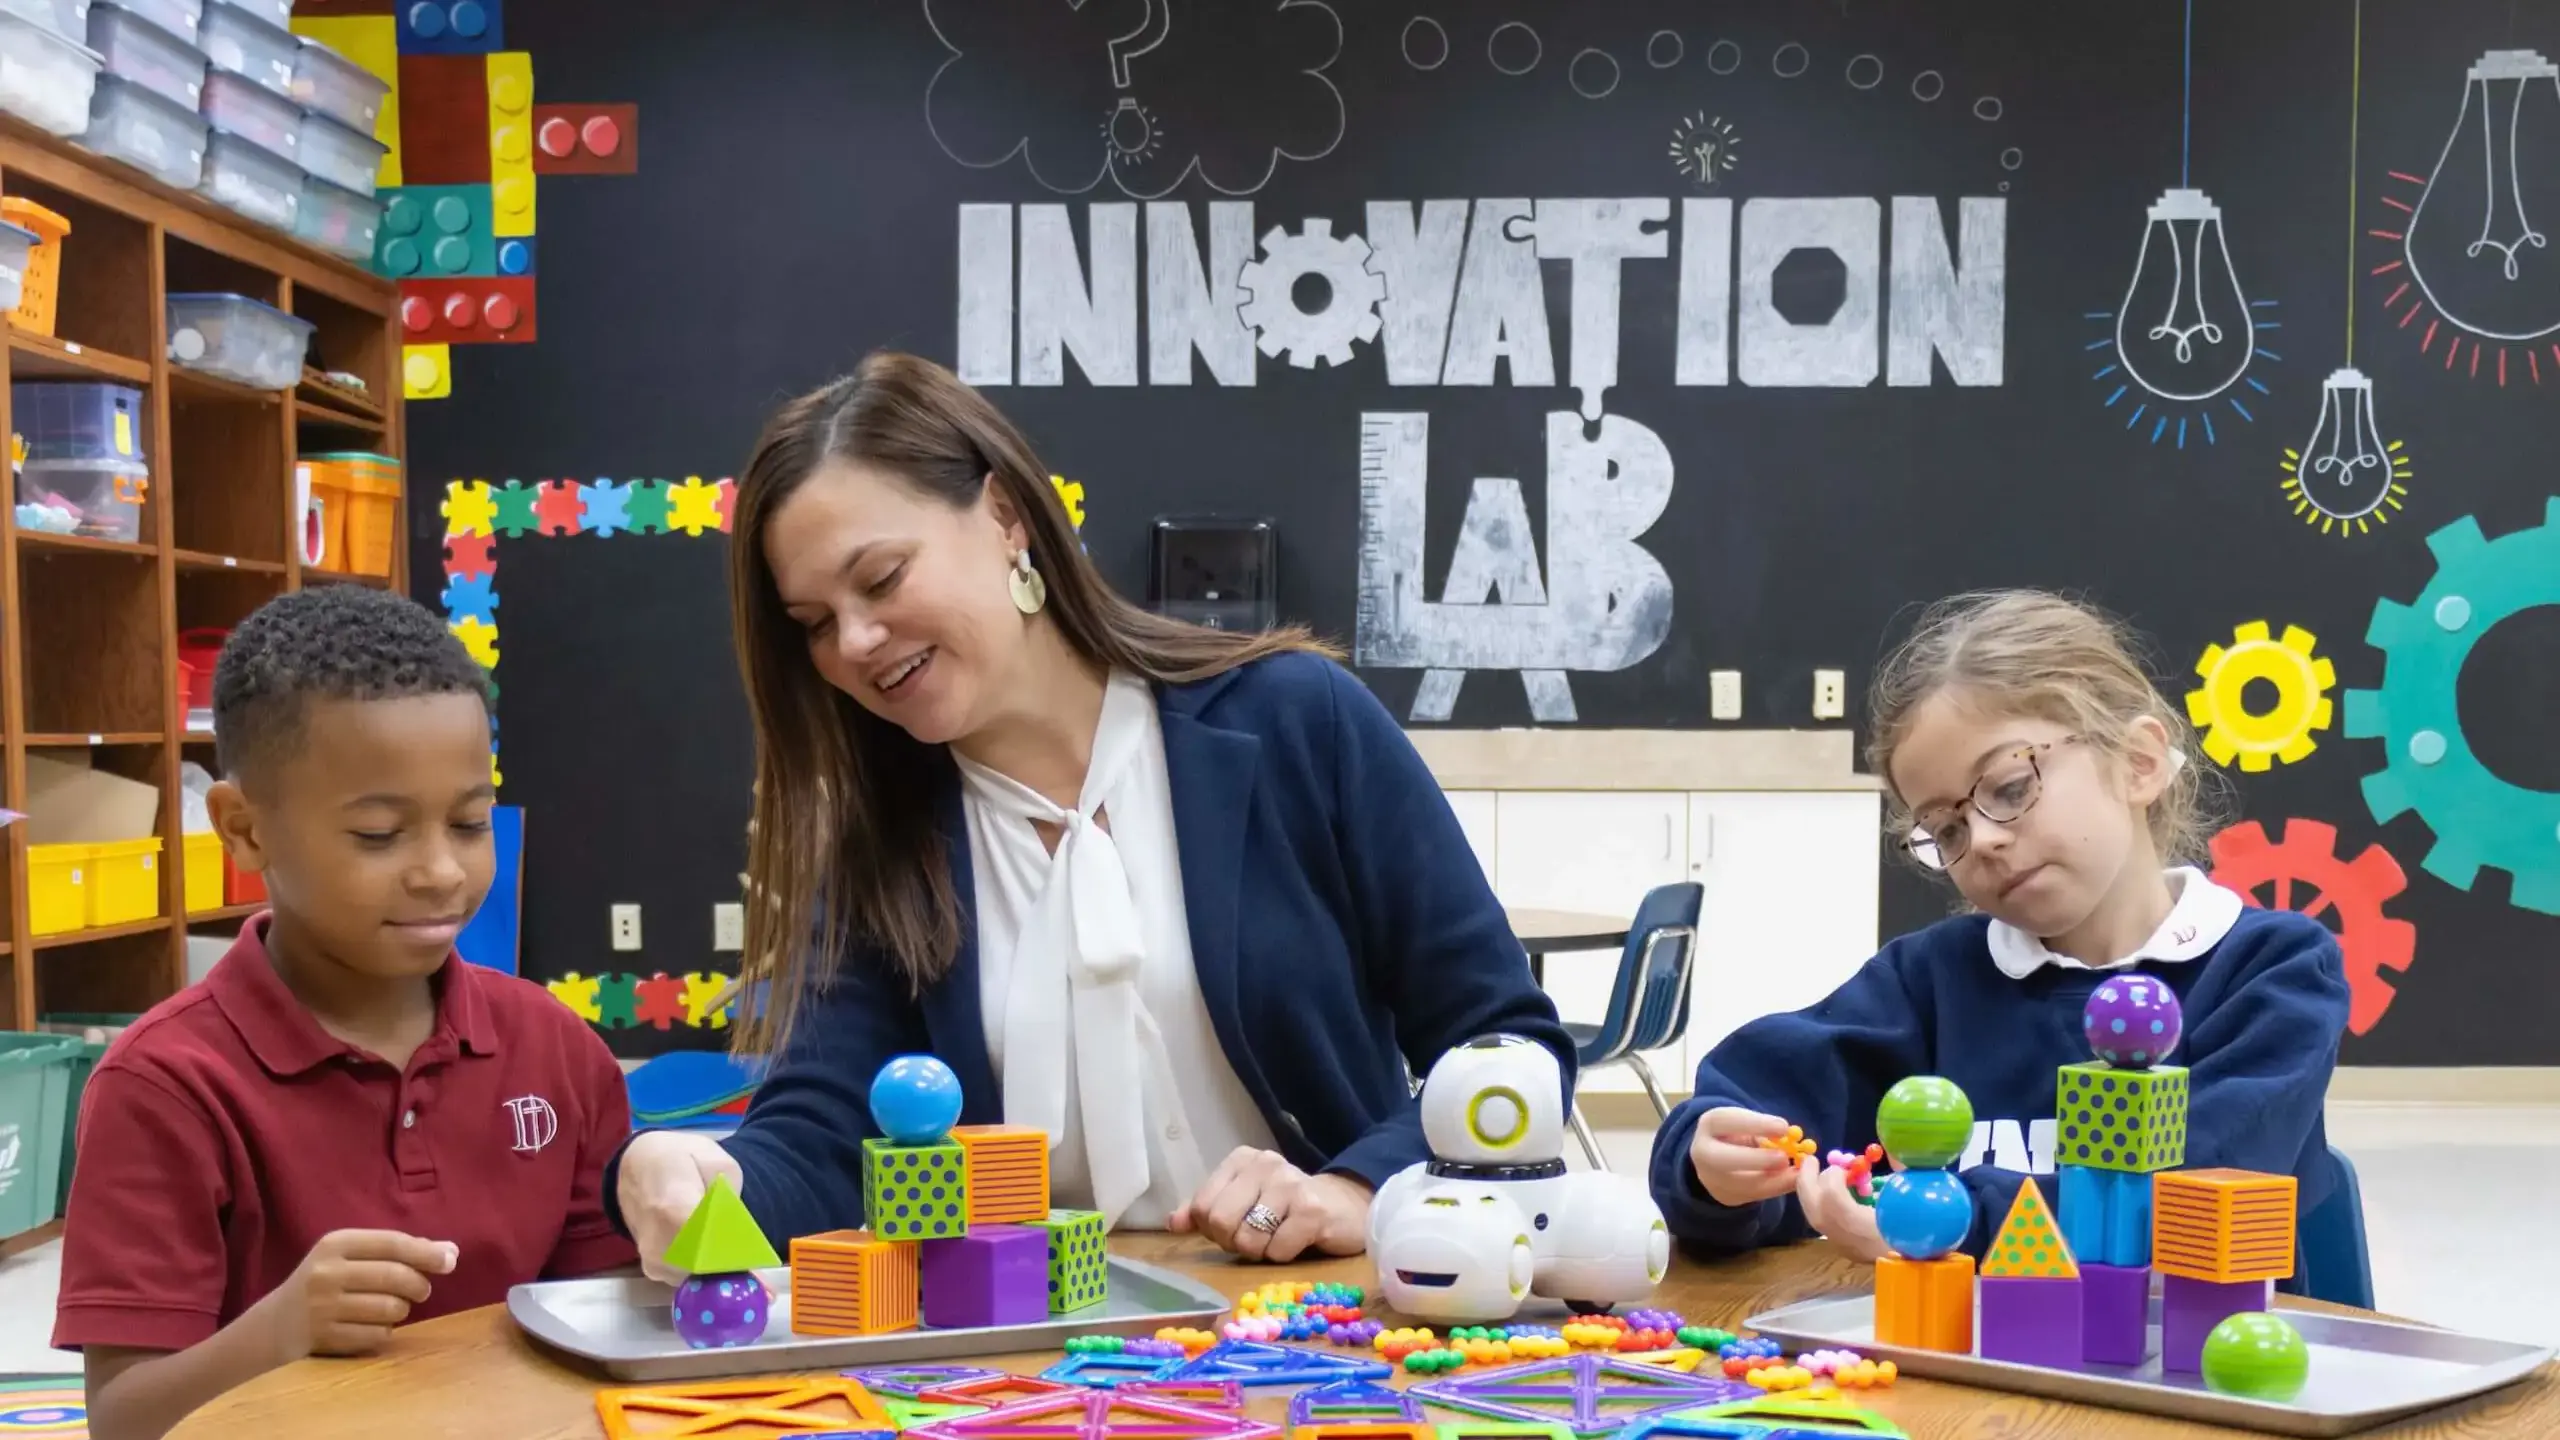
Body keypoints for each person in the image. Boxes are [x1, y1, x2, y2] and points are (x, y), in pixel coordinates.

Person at [610, 351, 1570, 1271]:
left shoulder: (1294, 723)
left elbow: (1507, 1044)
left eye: (882, 578)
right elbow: (823, 1136)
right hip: (1031, 1367)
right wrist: (700, 1175)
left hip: (1324, 1341)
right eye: (814, 624)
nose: (855, 641)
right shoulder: (883, 844)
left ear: (1005, 516)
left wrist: (1362, 1186)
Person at [54, 588, 636, 1440]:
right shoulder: (165, 1084)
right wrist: (280, 1331)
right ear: (245, 829)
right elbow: (122, 1420)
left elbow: (606, 1331)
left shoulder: (555, 1048)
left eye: (470, 822)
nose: (441, 871)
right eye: (378, 835)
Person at [1652, 590, 2348, 1268]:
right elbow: (1756, 1106)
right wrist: (1712, 1171)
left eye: (2010, 788)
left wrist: (1952, 1221)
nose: (1981, 839)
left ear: (2137, 763)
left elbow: (2189, 1199)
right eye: (1945, 827)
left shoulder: (2273, 970)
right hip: (1975, 1376)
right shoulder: (1930, 982)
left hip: (2207, 1368)